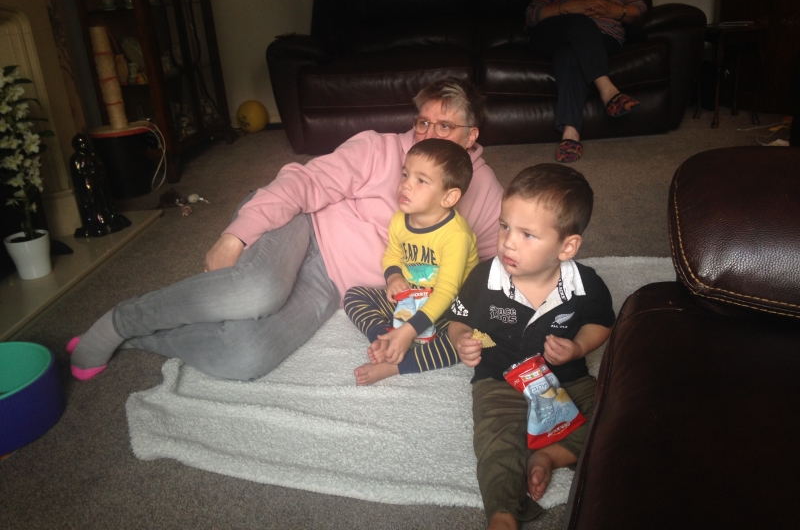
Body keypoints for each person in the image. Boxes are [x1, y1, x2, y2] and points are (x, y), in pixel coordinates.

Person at [68, 78, 503, 382]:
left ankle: (136, 339)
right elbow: (305, 181)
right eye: (422, 122)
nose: (427, 134)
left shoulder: (483, 191)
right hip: (304, 227)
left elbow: (489, 266)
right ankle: (122, 318)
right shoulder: (381, 148)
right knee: (257, 291)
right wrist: (235, 236)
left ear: (471, 136)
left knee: (245, 356)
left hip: (334, 285)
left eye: (445, 126)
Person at [447, 164, 616, 530]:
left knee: (614, 416)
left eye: (527, 234)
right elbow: (457, 320)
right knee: (496, 441)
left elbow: (602, 324)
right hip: (498, 379)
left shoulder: (586, 285)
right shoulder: (484, 278)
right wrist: (461, 339)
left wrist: (577, 347)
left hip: (566, 377)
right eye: (504, 226)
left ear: (567, 246)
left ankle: (550, 456)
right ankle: (503, 514)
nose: (508, 242)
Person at [344, 138, 479, 385]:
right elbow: (392, 255)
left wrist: (409, 330)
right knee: (353, 296)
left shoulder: (456, 235)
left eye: (421, 180)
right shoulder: (400, 219)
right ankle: (385, 339)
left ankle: (396, 365)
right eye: (405, 174)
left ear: (448, 197)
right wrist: (394, 276)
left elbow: (447, 291)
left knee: (464, 343)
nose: (406, 184)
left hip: (447, 308)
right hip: (409, 299)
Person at [526, 0, 647, 163]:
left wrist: (615, 10)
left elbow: (639, 9)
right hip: (556, 33)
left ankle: (570, 133)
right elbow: (532, 14)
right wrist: (566, 8)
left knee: (569, 55)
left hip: (603, 37)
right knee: (580, 23)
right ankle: (608, 92)